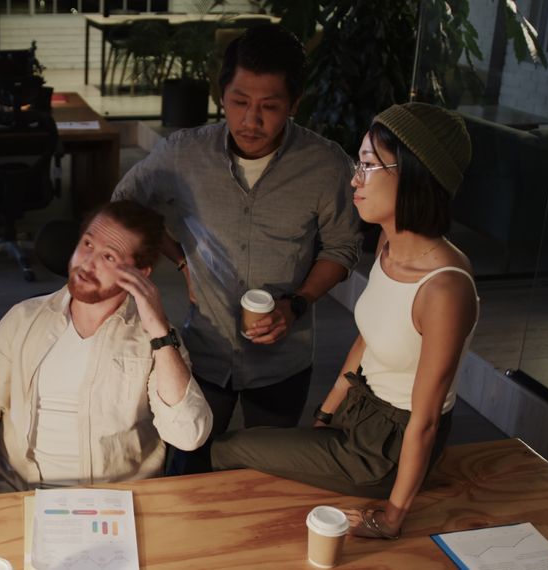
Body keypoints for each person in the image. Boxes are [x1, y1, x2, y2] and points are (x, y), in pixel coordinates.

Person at [212, 103, 478, 539]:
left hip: (388, 447)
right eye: (359, 164)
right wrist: (327, 410)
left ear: (414, 175)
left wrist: (392, 517)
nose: (355, 179)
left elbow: (426, 420)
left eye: (369, 165)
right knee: (262, 451)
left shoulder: (445, 289)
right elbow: (368, 338)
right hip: (358, 412)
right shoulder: (391, 248)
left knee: (228, 448)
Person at [111, 24, 362, 474]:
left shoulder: (325, 166)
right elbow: (125, 205)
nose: (251, 121)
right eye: (239, 102)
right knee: (187, 470)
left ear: (294, 105)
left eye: (270, 107)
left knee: (272, 478)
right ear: (221, 94)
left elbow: (342, 248)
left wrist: (297, 304)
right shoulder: (185, 154)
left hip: (284, 360)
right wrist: (181, 260)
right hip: (204, 352)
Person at [0, 200, 213, 497]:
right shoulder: (24, 318)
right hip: (22, 494)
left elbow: (188, 435)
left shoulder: (158, 341)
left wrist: (159, 332)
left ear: (140, 273)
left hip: (117, 500)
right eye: (88, 244)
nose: (87, 263)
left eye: (109, 256)